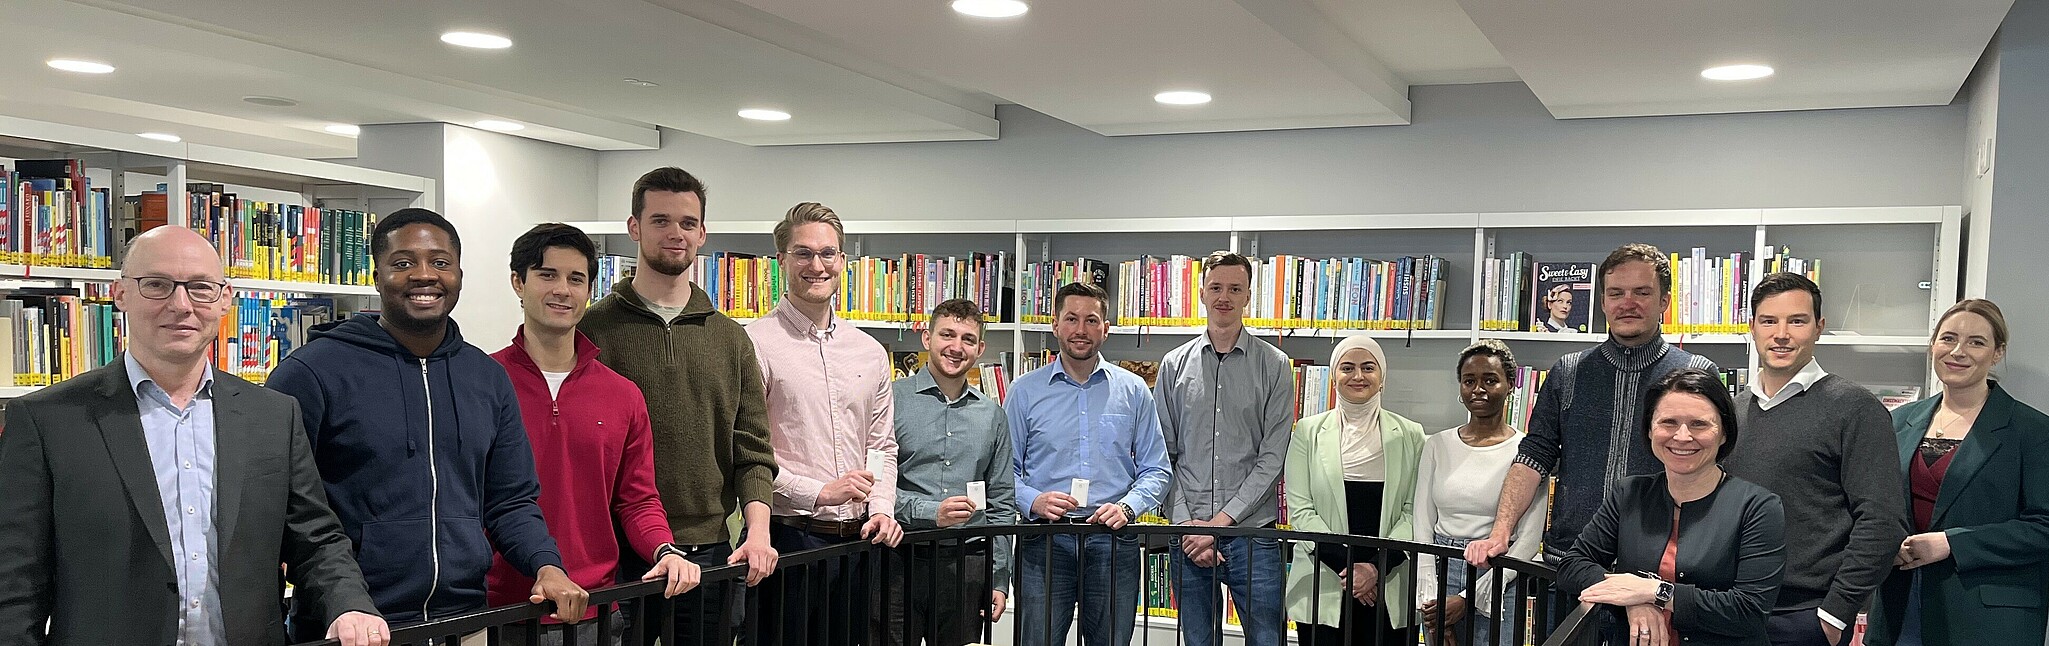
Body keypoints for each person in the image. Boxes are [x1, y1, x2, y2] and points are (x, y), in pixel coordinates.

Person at [0, 227, 388, 646]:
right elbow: (15, 582)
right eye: (157, 285)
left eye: (200, 288)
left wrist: (349, 604)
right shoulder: (47, 420)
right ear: (120, 294)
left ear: (225, 300)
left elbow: (315, 538)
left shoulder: (274, 415)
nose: (180, 305)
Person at [268, 208, 588, 636]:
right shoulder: (311, 374)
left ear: (458, 274)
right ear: (376, 274)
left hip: (466, 620)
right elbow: (290, 511)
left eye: (440, 263)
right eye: (403, 263)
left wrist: (546, 565)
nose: (424, 275)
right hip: (354, 626)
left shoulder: (487, 378)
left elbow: (510, 500)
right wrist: (343, 603)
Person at [1467, 243, 1719, 631]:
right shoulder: (1568, 372)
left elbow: (1712, 472)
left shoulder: (1694, 374)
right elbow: (1534, 455)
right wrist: (1500, 533)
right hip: (1570, 568)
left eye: (1642, 292)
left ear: (1665, 301)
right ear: (1603, 300)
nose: (1627, 303)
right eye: (1616, 293)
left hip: (1658, 575)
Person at [579, 167, 780, 646]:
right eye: (661, 220)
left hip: (708, 551)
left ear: (703, 234)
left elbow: (752, 449)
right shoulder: (590, 331)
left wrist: (758, 533)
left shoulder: (731, 339)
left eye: (688, 223)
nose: (676, 234)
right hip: (617, 552)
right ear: (635, 227)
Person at [486, 224, 703, 645]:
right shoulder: (481, 382)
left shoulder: (622, 395)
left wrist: (664, 549)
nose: (562, 290)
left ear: (590, 289)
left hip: (597, 612)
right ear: (518, 282)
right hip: (502, 610)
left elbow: (637, 497)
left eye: (576, 278)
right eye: (547, 275)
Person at [747, 202, 904, 646]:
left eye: (828, 254)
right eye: (803, 253)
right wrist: (819, 493)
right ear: (781, 261)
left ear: (842, 262)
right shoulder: (755, 343)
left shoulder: (870, 351)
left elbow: (882, 446)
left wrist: (882, 510)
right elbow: (748, 455)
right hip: (788, 541)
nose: (817, 265)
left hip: (858, 545)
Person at [1722, 272, 1906, 646]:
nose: (1782, 334)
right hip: (1729, 606)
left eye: (1797, 320)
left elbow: (1883, 520)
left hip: (1804, 616)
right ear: (1752, 328)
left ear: (1819, 327)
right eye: (1769, 321)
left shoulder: (1856, 408)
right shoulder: (1731, 411)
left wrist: (1836, 612)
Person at [1555, 368, 1786, 646]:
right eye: (1668, 422)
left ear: (1724, 433)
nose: (1682, 436)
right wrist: (1632, 601)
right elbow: (1572, 565)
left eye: (1699, 424)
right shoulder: (1629, 493)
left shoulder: (1759, 507)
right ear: (1650, 429)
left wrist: (1656, 592)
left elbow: (1749, 611)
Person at [1866, 299, 2049, 646]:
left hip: (1987, 620)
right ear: (1933, 345)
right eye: (1948, 338)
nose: (1958, 351)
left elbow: (2044, 527)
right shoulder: (1898, 421)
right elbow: (1878, 507)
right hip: (1899, 607)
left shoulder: (2032, 430)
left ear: (1997, 353)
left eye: (1976, 342)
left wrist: (1951, 544)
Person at [1009, 281, 1172, 646]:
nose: (1080, 330)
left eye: (1091, 320)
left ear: (1106, 328)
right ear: (1054, 325)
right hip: (1044, 539)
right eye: (1071, 318)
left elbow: (1157, 468)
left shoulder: (1134, 391)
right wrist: (1032, 500)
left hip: (1113, 540)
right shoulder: (1024, 391)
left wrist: (1128, 508)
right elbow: (1005, 472)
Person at [1154, 251, 1293, 646]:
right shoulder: (1173, 365)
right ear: (1201, 293)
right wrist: (1185, 525)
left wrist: (1218, 525)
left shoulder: (1275, 365)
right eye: (1216, 287)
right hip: (1188, 533)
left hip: (1253, 534)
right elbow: (1163, 454)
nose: (1224, 297)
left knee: (1268, 640)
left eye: (1235, 288)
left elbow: (1273, 457)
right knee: (1199, 641)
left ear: (1249, 296)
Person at [880, 298, 1020, 646]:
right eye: (947, 334)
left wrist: (999, 578)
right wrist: (931, 513)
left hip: (968, 563)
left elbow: (1002, 504)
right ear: (927, 338)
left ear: (980, 348)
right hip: (899, 557)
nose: (956, 347)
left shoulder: (992, 415)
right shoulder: (890, 401)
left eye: (968, 339)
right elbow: (875, 487)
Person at [1283, 336, 1424, 646]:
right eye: (1347, 367)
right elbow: (1302, 511)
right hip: (1325, 576)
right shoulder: (1307, 432)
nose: (1358, 376)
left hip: (1391, 580)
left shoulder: (1413, 435)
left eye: (1368, 367)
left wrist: (1375, 567)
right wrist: (1351, 570)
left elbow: (1415, 511)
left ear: (1382, 376)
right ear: (1334, 377)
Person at [1413, 340, 1545, 646]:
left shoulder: (1528, 451)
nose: (1478, 389)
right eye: (1469, 381)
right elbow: (1422, 521)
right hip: (1439, 569)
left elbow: (1528, 540)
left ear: (1511, 384)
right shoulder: (1437, 445)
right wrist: (1431, 593)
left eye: (1490, 380)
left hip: (1499, 575)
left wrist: (1467, 597)